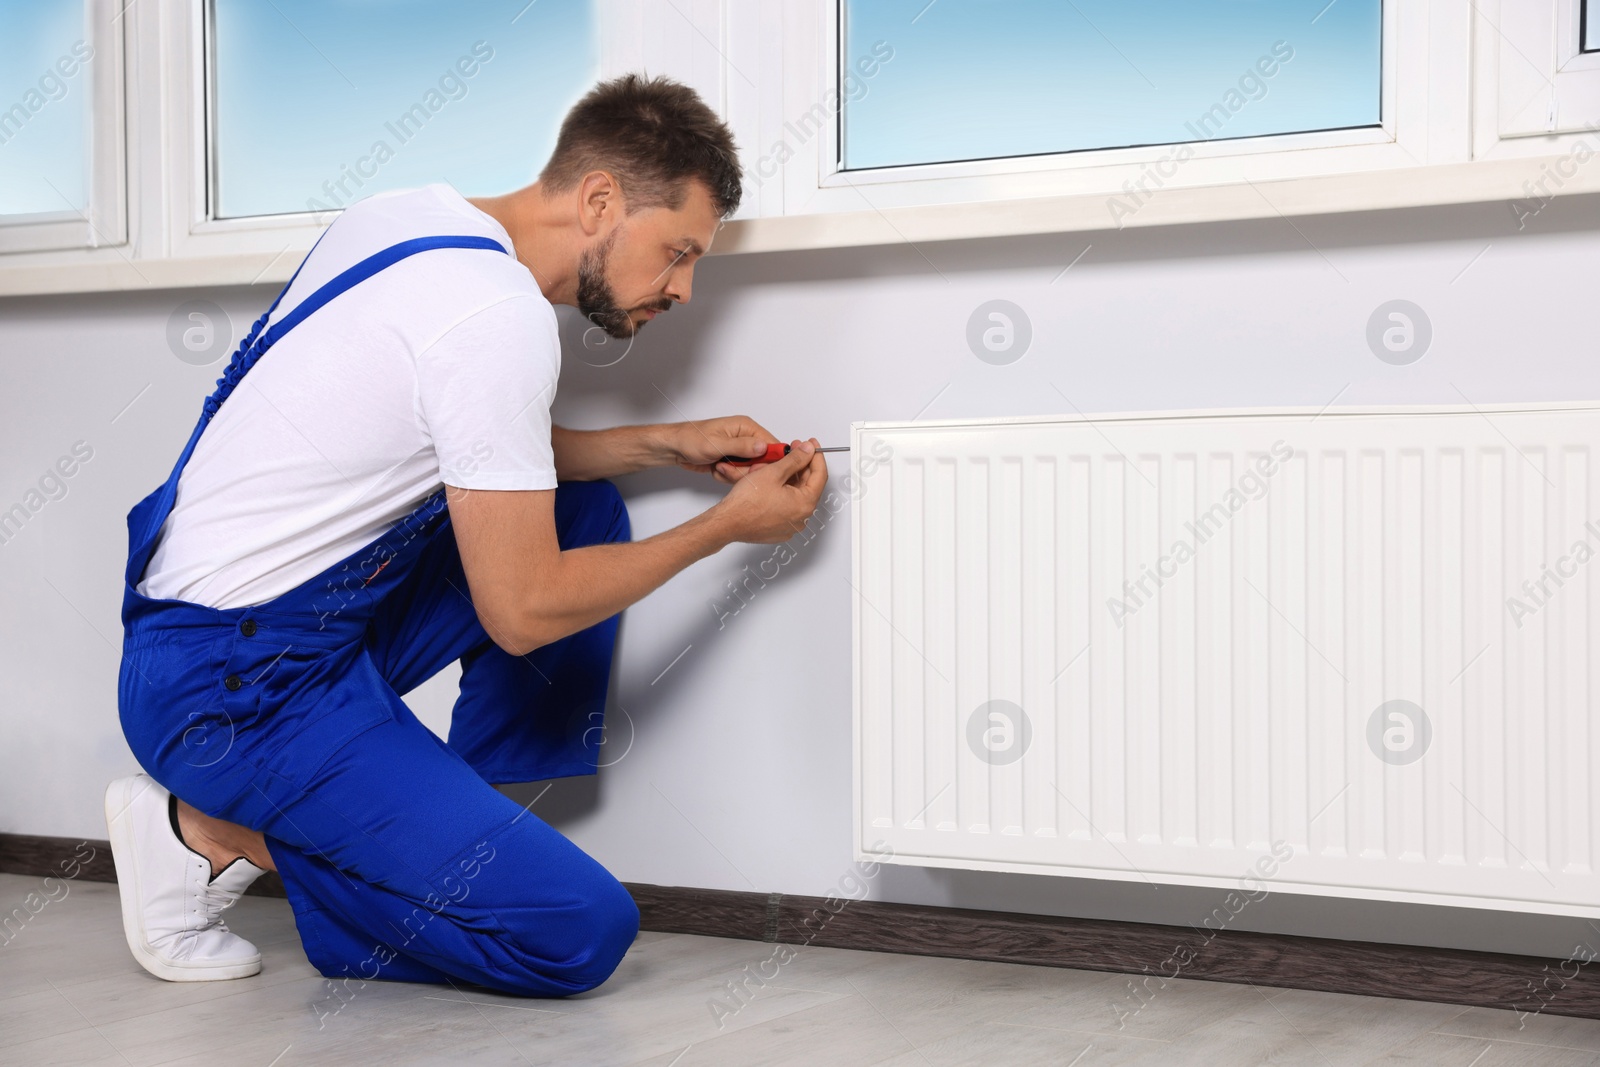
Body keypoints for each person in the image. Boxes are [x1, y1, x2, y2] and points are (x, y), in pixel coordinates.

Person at [105, 74, 828, 997]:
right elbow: (522, 612)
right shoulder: (500, 320)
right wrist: (725, 527)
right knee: (580, 932)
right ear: (600, 197)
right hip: (234, 693)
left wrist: (664, 444)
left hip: (217, 636)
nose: (683, 288)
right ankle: (199, 833)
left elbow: (484, 445)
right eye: (678, 251)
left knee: (580, 512)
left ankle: (451, 812)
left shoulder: (406, 219)